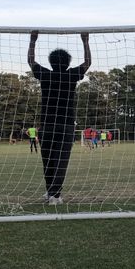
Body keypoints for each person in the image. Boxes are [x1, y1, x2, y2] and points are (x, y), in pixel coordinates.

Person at [28, 30, 92, 205]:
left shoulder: (46, 75)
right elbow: (87, 62)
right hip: (65, 125)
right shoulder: (71, 75)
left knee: (47, 160)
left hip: (47, 125)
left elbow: (31, 61)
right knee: (61, 160)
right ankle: (55, 195)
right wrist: (85, 41)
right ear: (68, 62)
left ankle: (52, 193)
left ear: (50, 62)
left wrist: (33, 40)